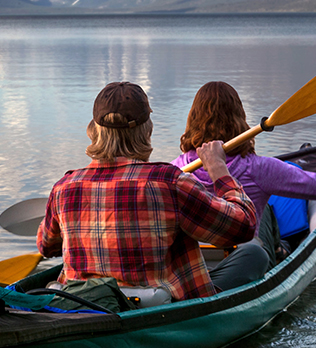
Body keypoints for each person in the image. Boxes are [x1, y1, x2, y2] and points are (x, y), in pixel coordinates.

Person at [37, 81, 267, 301]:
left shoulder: (64, 187)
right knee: (253, 254)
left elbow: (46, 246)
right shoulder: (169, 182)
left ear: (94, 131)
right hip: (164, 307)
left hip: (85, 303)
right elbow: (243, 227)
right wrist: (218, 169)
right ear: (147, 130)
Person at [171, 81, 316, 266]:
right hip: (244, 262)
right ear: (239, 117)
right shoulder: (259, 169)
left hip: (191, 266)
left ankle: (279, 247)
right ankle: (280, 248)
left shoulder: (175, 169)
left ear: (192, 119)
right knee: (267, 209)